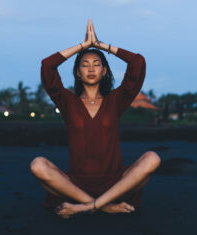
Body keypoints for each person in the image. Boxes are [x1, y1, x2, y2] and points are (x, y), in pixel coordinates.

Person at [30, 19, 161, 219]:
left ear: (104, 71)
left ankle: (85, 207)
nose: (91, 69)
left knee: (153, 158)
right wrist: (82, 46)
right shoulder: (67, 101)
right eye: (85, 65)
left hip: (117, 182)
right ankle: (104, 206)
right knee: (37, 165)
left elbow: (138, 63)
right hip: (74, 185)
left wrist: (100, 45)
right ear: (77, 72)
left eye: (96, 64)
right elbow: (47, 66)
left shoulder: (116, 100)